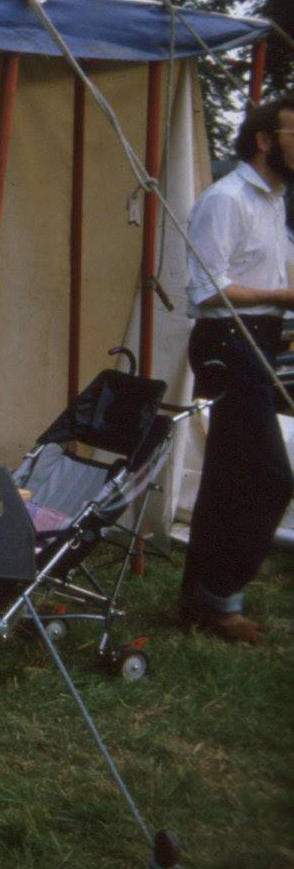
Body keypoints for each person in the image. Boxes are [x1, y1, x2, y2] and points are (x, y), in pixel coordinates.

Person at [177, 94, 294, 645]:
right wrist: (283, 295)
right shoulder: (227, 198)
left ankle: (205, 600)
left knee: (226, 476)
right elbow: (205, 289)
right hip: (228, 338)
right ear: (266, 139)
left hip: (260, 337)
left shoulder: (274, 200)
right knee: (271, 476)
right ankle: (221, 593)